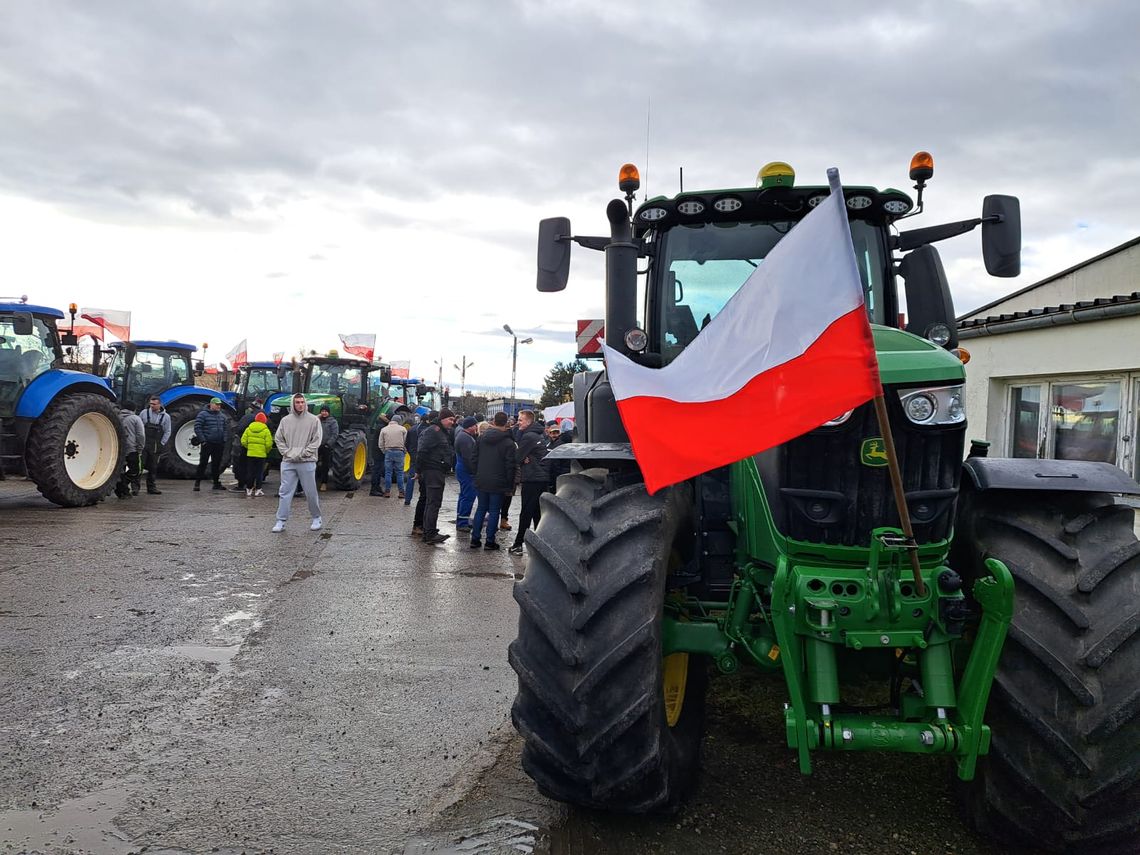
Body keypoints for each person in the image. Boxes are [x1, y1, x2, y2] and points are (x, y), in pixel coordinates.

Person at [272, 393, 323, 532]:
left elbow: (316, 440)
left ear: (305, 403)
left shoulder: (314, 420)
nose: (300, 404)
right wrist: (287, 453)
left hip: (307, 461)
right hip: (288, 461)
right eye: (297, 402)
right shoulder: (285, 421)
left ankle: (316, 517)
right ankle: (281, 520)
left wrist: (304, 453)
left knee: (310, 491)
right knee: (285, 491)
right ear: (293, 404)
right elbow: (278, 439)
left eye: (302, 402)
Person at [470, 411, 516, 551]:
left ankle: (475, 539)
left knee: (481, 508)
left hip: (482, 479)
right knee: (495, 511)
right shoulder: (509, 442)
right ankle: (490, 541)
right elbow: (510, 465)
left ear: (493, 422)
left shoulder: (481, 438)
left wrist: (477, 474)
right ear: (506, 423)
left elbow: (474, 459)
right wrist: (510, 483)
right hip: (499, 481)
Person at [509, 410, 549, 554]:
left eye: (520, 420)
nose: (517, 422)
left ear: (528, 421)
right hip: (541, 478)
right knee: (537, 512)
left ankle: (518, 544)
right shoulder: (539, 434)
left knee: (526, 512)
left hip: (532, 478)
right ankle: (540, 543)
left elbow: (517, 457)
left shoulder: (529, 436)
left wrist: (524, 458)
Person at [414, 408, 456, 544]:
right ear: (442, 418)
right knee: (434, 502)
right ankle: (430, 533)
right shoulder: (434, 431)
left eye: (453, 420)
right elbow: (422, 451)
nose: (452, 422)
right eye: (450, 419)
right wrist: (418, 471)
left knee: (430, 502)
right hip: (433, 470)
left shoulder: (441, 432)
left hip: (435, 470)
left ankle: (428, 531)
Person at [193, 397, 229, 492]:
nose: (218, 406)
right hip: (207, 443)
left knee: (216, 464)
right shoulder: (203, 414)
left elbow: (225, 428)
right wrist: (203, 440)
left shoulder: (222, 416)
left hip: (219, 443)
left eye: (219, 404)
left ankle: (216, 483)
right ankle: (197, 483)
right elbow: (197, 427)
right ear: (211, 404)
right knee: (203, 463)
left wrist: (224, 439)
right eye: (217, 404)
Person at [138, 395, 171, 495]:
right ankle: (135, 488)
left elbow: (167, 431)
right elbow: (139, 428)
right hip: (144, 444)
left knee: (153, 467)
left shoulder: (166, 417)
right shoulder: (144, 413)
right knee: (139, 467)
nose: (151, 406)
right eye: (150, 404)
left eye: (154, 404)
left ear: (159, 404)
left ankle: (151, 488)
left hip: (156, 445)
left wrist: (162, 443)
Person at [229, 398, 263, 492]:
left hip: (247, 447)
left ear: (252, 407)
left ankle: (242, 485)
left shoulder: (247, 417)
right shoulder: (265, 417)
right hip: (260, 450)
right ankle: (255, 486)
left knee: (242, 465)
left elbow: (240, 431)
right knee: (256, 468)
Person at [453, 416, 478, 532]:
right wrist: (474, 471)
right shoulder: (465, 438)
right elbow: (468, 458)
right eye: (475, 425)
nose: (477, 427)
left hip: (462, 468)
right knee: (468, 496)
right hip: (465, 470)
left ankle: (461, 518)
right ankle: (462, 522)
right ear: (471, 426)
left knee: (463, 495)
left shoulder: (463, 436)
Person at [115, 407, 145, 498]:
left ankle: (121, 490)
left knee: (120, 470)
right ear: (134, 409)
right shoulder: (136, 418)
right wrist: (140, 448)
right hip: (132, 448)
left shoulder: (116, 417)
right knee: (135, 471)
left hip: (118, 449)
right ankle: (123, 486)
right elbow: (141, 435)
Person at [241, 412, 274, 497]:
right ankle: (258, 490)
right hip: (261, 455)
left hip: (251, 454)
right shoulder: (266, 430)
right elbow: (269, 444)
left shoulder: (248, 429)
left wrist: (249, 447)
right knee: (259, 473)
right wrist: (266, 451)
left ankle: (249, 489)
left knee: (250, 472)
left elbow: (243, 441)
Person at [375, 413, 407, 498]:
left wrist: (384, 451)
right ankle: (401, 492)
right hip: (399, 451)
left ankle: (387, 492)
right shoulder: (403, 429)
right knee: (400, 473)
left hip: (388, 452)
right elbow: (405, 441)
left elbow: (380, 443)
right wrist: (403, 450)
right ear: (399, 421)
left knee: (388, 473)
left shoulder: (384, 429)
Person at [315, 405, 339, 491]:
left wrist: (328, 444)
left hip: (326, 446)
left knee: (325, 465)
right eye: (322, 411)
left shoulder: (332, 422)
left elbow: (335, 434)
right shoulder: (317, 421)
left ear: (328, 412)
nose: (324, 413)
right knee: (313, 464)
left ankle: (324, 483)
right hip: (317, 445)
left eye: (326, 411)